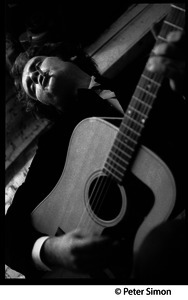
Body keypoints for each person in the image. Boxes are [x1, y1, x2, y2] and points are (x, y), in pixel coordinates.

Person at [5, 28, 186, 282]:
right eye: (30, 86)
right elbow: (9, 235)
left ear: (65, 56)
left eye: (35, 65)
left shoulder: (144, 80)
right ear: (43, 103)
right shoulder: (55, 146)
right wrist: (53, 250)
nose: (35, 77)